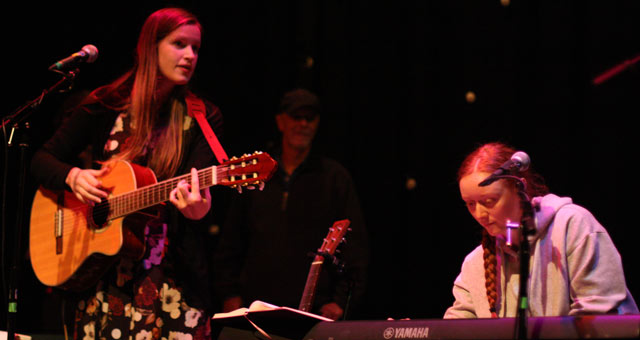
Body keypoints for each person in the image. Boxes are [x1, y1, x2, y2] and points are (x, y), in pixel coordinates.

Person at [30, 8, 222, 340]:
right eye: (179, 44)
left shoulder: (202, 116)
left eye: (196, 48)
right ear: (151, 46)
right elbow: (42, 159)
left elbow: (201, 198)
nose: (190, 55)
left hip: (170, 286)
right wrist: (73, 176)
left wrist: (196, 208)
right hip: (102, 284)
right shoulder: (106, 103)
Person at [213, 89, 369, 320]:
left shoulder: (334, 177)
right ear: (281, 121)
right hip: (256, 308)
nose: (303, 124)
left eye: (310, 118)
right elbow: (231, 240)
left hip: (314, 311)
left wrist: (340, 301)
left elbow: (355, 247)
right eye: (297, 117)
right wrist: (229, 294)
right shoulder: (255, 173)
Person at [444, 142, 638, 318]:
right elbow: (455, 328)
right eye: (470, 204)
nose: (479, 214)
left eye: (489, 201)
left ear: (519, 188)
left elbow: (598, 315)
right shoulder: (475, 264)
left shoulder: (571, 226)